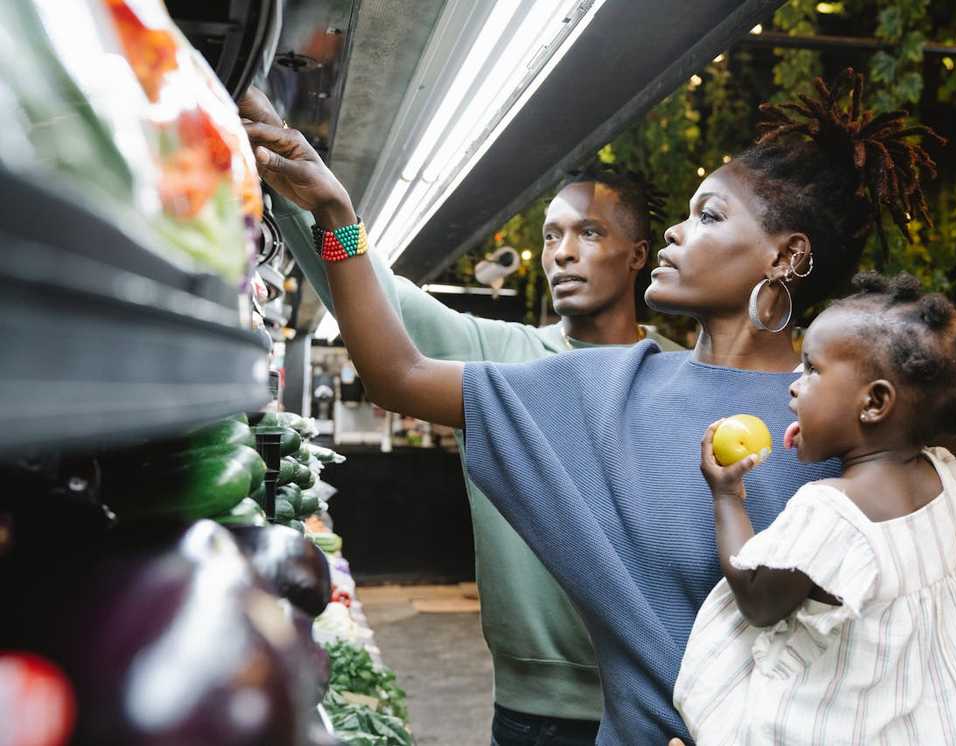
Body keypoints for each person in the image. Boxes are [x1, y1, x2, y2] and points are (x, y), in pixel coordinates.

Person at [244, 69, 956, 744]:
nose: (669, 233)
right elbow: (399, 370)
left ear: (788, 254)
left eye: (707, 215)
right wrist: (335, 218)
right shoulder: (606, 386)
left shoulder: (862, 437)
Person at [239, 88, 683, 745]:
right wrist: (303, 184)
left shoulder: (683, 377)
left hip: (664, 708)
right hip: (533, 712)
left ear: (638, 254)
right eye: (552, 234)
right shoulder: (504, 355)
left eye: (589, 233)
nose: (562, 252)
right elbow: (370, 293)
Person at [676, 272, 956, 744]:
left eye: (813, 369)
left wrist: (727, 498)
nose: (794, 386)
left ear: (874, 403)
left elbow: (758, 602)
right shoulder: (945, 478)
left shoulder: (831, 511)